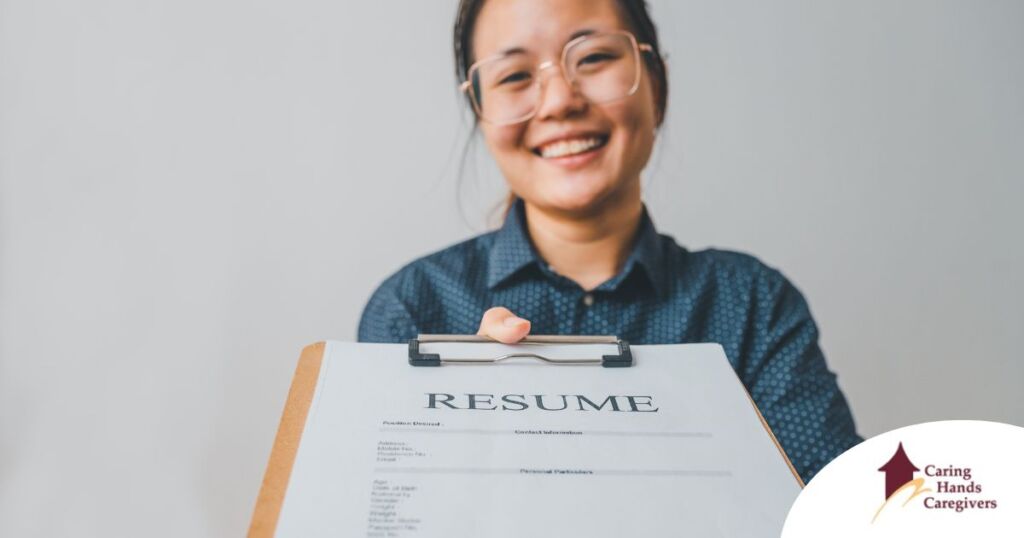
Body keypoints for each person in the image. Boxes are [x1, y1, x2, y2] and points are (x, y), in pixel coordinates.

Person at [358, 0, 861, 482]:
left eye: (594, 57)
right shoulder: (413, 309)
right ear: (482, 114)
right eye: (514, 76)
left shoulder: (751, 305)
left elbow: (845, 515)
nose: (559, 101)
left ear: (656, 85)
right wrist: (465, 429)